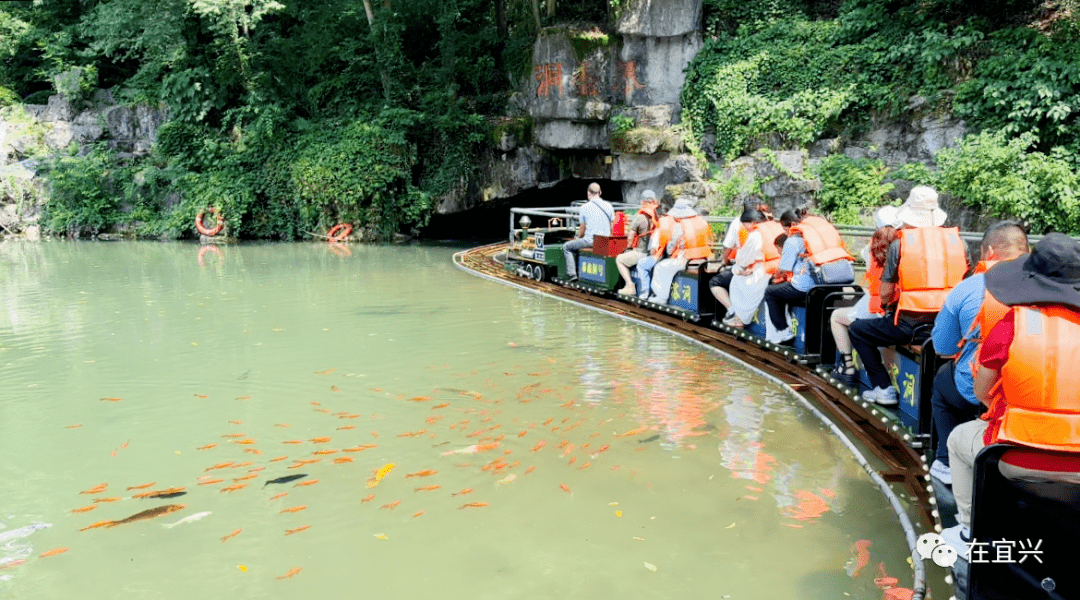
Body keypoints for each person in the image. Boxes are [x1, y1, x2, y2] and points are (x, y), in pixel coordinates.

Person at [943, 233, 1080, 553]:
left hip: (1016, 456)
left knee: (959, 437)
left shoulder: (1011, 324)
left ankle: (967, 532)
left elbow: (982, 392)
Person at [927, 222, 1028, 485]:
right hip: (1029, 393)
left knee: (941, 382)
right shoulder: (1047, 291)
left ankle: (945, 461)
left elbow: (943, 348)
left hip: (982, 389)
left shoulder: (968, 287)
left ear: (990, 251)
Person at [849, 186, 969, 406]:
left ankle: (883, 388)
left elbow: (885, 292)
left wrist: (887, 305)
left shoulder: (900, 244)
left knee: (858, 330)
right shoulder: (959, 243)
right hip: (950, 325)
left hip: (910, 327)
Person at [828, 206, 901, 385]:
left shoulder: (870, 249)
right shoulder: (906, 245)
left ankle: (847, 366)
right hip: (902, 308)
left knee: (837, 317)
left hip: (880, 306)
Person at [761, 210, 814, 345]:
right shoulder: (811, 236)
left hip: (803, 287)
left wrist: (776, 276)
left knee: (770, 292)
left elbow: (785, 268)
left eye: (784, 229)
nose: (785, 233)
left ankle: (783, 331)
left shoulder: (792, 241)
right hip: (820, 285)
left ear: (791, 225)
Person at [723, 210, 782, 328]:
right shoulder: (777, 227)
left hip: (765, 270)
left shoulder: (756, 234)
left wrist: (739, 268)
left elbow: (744, 259)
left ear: (753, 222)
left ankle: (740, 318)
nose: (747, 229)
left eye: (746, 226)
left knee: (736, 281)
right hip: (779, 267)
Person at [647, 198, 711, 303]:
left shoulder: (680, 225)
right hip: (704, 260)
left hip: (686, 260)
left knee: (660, 267)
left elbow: (671, 247)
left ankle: (661, 297)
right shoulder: (703, 222)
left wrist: (668, 252)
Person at [709, 208, 763, 319]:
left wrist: (725, 261)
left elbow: (740, 258)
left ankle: (733, 312)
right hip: (771, 271)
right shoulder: (773, 227)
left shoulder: (752, 234)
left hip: (754, 271)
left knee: (715, 281)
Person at [563, 182, 614, 282]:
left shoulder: (584, 207)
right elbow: (612, 226)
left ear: (588, 193)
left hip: (590, 241)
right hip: (605, 240)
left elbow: (582, 228)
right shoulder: (609, 206)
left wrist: (578, 237)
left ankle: (572, 273)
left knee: (566, 247)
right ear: (600, 192)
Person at [617, 191, 660, 296]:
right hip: (655, 254)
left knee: (619, 259)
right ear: (654, 201)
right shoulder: (658, 215)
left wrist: (628, 247)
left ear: (642, 202)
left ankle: (630, 285)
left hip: (641, 253)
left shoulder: (640, 217)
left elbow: (631, 236)